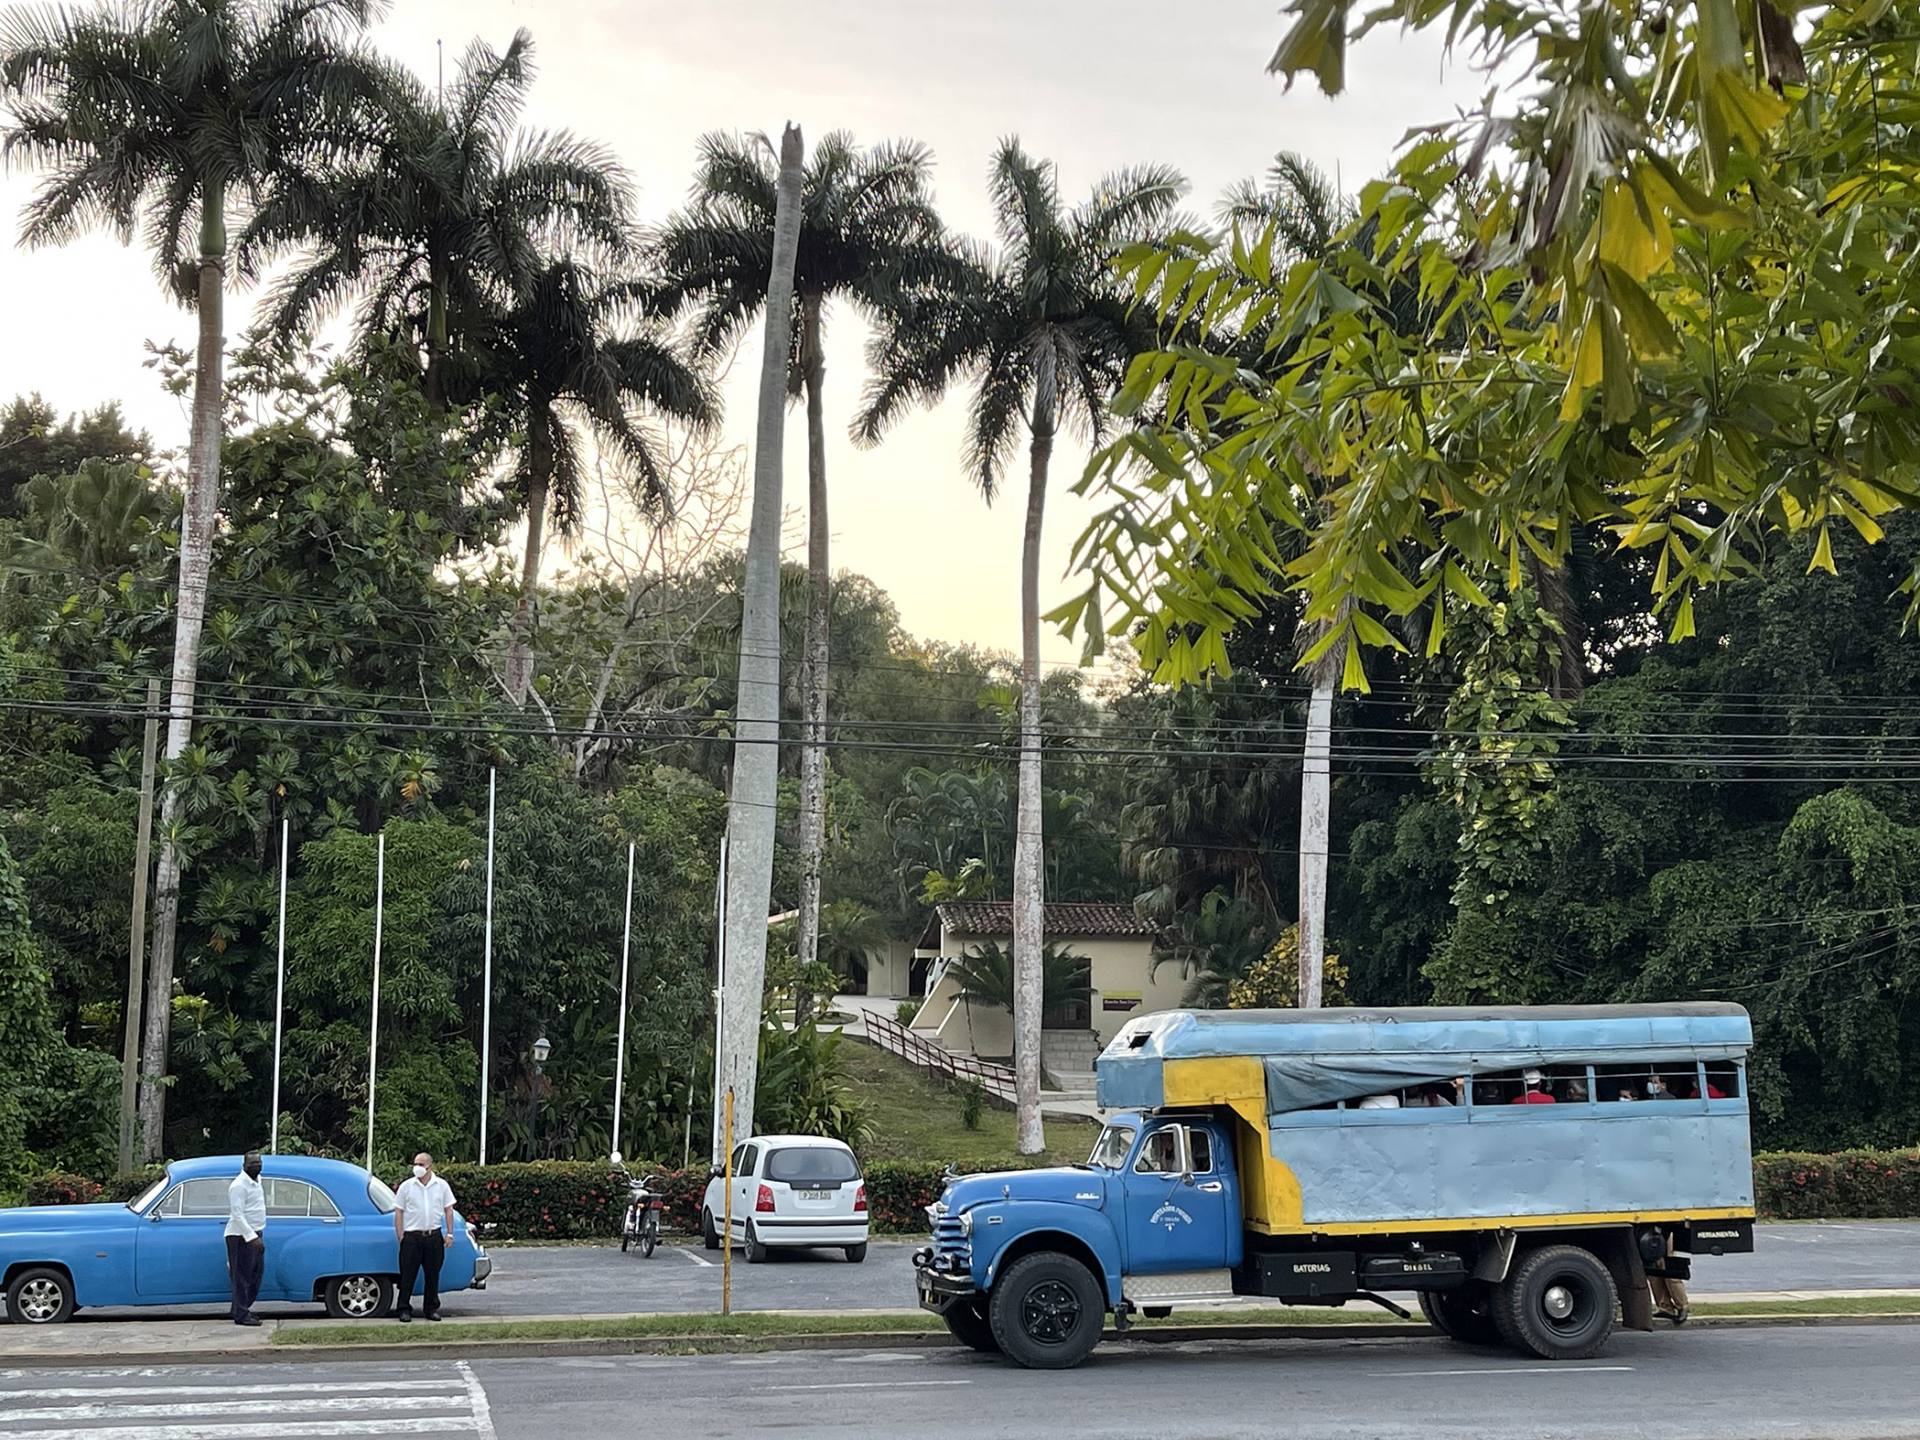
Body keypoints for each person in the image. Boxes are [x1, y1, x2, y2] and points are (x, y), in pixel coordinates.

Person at [393, 1152, 458, 1323]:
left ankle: (431, 1308)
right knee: (407, 1274)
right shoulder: (406, 1186)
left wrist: (450, 1233)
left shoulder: (441, 1185)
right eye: (415, 1164)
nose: (417, 1168)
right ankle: (404, 1309)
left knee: (432, 1274)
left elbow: (448, 1209)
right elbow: (398, 1211)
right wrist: (401, 1235)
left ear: (429, 1166)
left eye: (421, 1164)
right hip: (412, 1237)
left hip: (433, 1236)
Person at [224, 1152, 266, 1327]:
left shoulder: (258, 1180)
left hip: (256, 1233)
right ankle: (241, 1314)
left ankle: (241, 1308)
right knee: (241, 1276)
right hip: (240, 1236)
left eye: (258, 1162)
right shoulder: (238, 1186)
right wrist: (251, 1238)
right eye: (252, 1163)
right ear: (244, 1166)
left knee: (255, 1274)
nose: (256, 1166)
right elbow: (237, 1215)